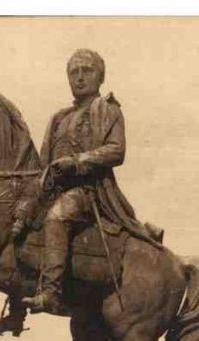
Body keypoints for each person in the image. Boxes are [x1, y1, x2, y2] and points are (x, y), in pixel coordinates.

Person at [22, 48, 162, 314]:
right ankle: (15, 309)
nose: (80, 77)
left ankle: (51, 292)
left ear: (100, 77)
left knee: (57, 217)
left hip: (88, 190)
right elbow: (43, 162)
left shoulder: (107, 109)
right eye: (74, 72)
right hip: (55, 188)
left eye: (87, 71)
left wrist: (77, 161)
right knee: (17, 220)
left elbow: (116, 150)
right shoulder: (58, 117)